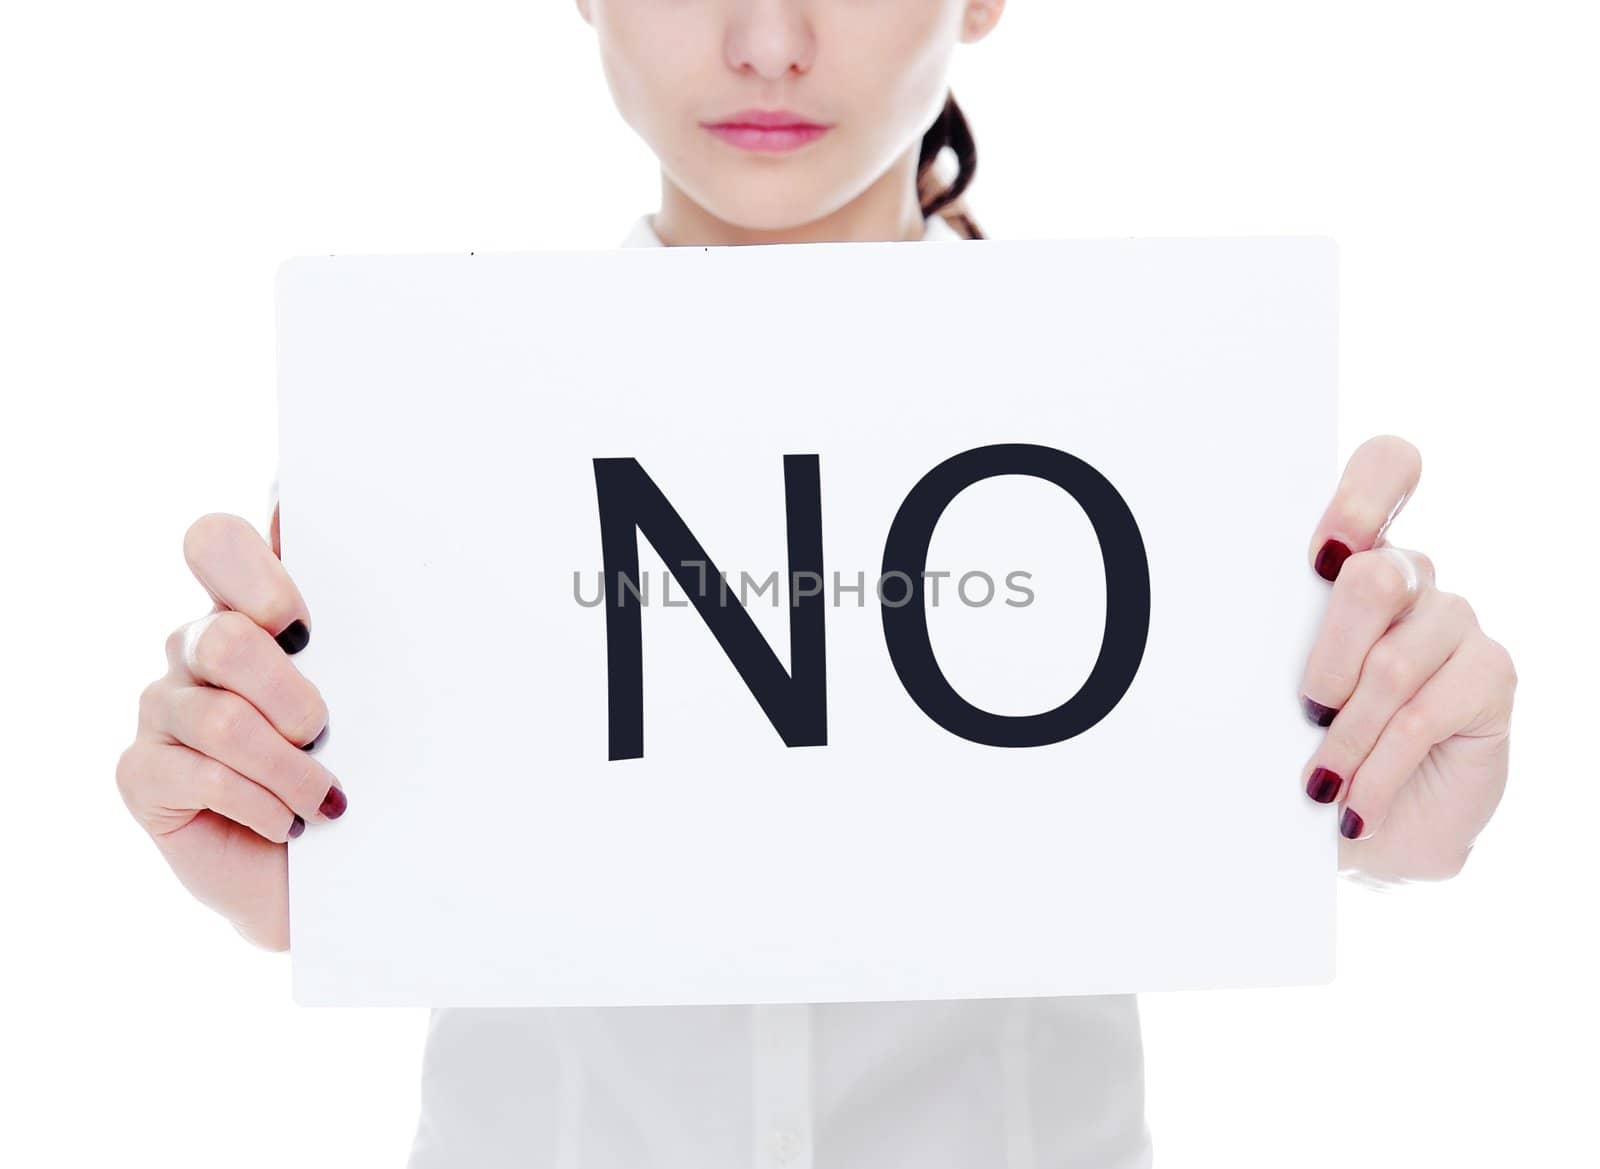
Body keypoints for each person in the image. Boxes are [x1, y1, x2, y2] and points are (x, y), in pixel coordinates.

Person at [114, 3, 1518, 1166]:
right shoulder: (420, 450)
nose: (768, 37)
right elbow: (370, 866)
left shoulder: (1179, 440)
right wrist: (302, 862)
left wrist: (1379, 790)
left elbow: (1235, 818)